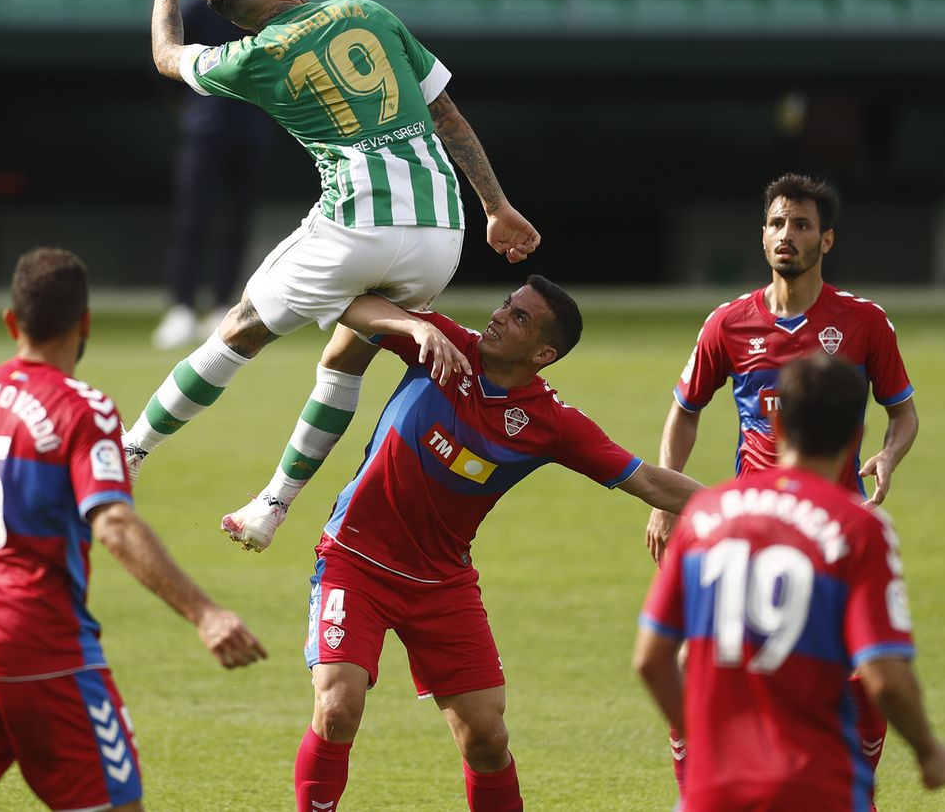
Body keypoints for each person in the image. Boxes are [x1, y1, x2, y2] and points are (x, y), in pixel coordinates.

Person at [124, 0, 541, 554]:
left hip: (356, 228)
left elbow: (166, 55)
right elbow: (449, 117)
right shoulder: (366, 11)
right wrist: (496, 205)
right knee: (344, 358)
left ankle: (131, 450)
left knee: (239, 330)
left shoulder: (251, 56)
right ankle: (272, 504)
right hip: (442, 236)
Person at [292, 277, 705, 812]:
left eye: (519, 318)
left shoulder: (551, 423)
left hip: (442, 585)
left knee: (487, 740)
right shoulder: (441, 345)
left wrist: (749, 506)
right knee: (337, 708)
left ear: (543, 353)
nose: (498, 316)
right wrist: (411, 324)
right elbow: (353, 306)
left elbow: (648, 481)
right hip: (356, 561)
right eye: (506, 305)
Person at [0, 247, 267, 812]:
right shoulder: (83, 409)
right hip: (48, 653)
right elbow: (113, 522)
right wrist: (206, 614)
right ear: (85, 322)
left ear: (11, 322)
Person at [644, 173, 920, 796]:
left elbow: (902, 409)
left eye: (799, 225)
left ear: (827, 240)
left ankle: (854, 788)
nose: (785, 236)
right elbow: (685, 409)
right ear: (762, 235)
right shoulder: (728, 324)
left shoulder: (863, 323)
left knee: (858, 672)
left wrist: (888, 454)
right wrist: (668, 499)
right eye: (775, 224)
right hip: (751, 521)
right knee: (695, 658)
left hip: (831, 522)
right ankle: (698, 786)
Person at [634, 353, 945, 810]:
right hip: (816, 786)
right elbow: (884, 677)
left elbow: (652, 659)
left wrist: (707, 742)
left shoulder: (706, 515)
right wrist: (929, 751)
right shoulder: (857, 528)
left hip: (715, 790)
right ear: (856, 437)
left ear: (779, 427)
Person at [151, 0, 278, 352]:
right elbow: (168, 72)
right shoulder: (194, 10)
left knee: (237, 222)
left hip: (251, 130)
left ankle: (222, 305)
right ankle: (181, 307)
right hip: (205, 133)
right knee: (193, 219)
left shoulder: (266, 16)